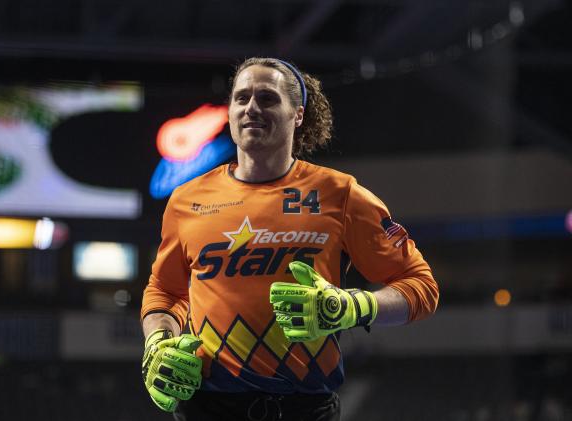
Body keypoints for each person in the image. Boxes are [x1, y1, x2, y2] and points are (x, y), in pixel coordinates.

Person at [141, 57, 439, 421]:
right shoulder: (187, 199)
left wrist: (351, 308)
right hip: (206, 406)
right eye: (241, 98)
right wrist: (157, 341)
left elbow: (421, 288)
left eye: (267, 98)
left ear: (298, 114)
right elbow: (165, 291)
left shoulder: (339, 193)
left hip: (304, 409)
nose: (251, 107)